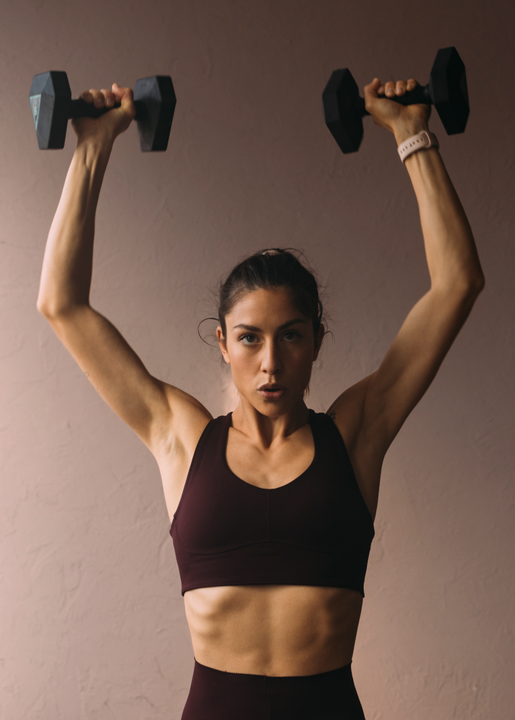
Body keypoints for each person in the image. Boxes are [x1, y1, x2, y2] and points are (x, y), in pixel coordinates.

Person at [36, 73, 484, 720]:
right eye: (249, 339)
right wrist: (94, 147)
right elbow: (62, 305)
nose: (270, 363)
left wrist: (412, 133)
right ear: (222, 342)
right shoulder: (180, 434)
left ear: (316, 342)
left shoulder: (357, 431)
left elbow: (457, 286)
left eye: (291, 337)